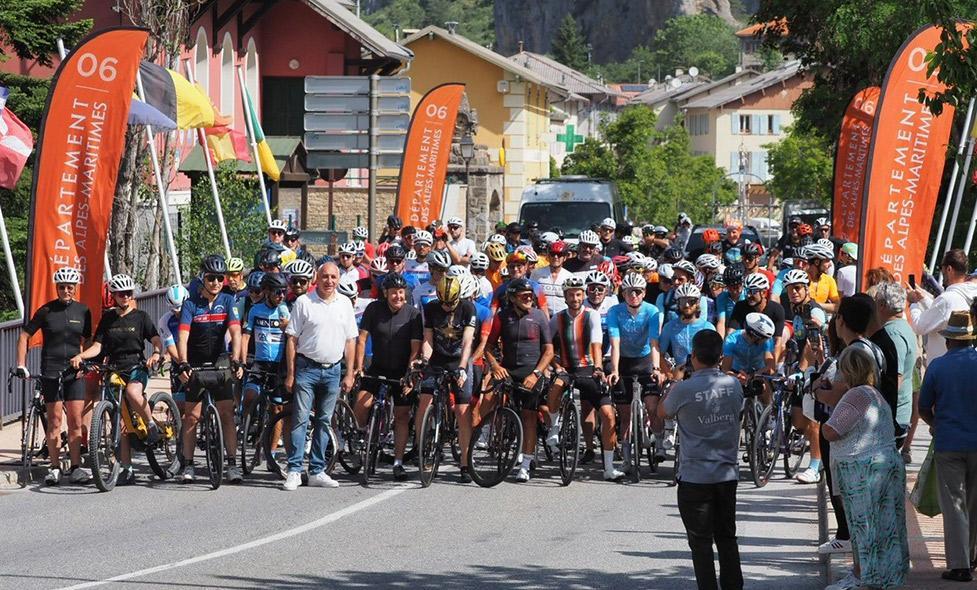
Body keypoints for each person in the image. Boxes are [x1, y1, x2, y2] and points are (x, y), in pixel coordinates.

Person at [819, 346, 909, 590]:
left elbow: (832, 431)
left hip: (863, 470)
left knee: (864, 526)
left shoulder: (857, 395)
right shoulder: (874, 394)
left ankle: (863, 577)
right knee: (887, 526)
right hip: (883, 463)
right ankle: (886, 576)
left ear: (849, 371)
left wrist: (826, 418)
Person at [660, 330, 744, 590]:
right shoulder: (734, 385)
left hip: (695, 477)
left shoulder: (683, 389)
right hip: (727, 476)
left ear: (692, 356)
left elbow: (661, 413)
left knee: (700, 543)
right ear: (721, 357)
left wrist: (677, 380)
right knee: (727, 537)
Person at [71, 274, 164, 486]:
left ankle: (150, 424)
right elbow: (98, 346)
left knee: (132, 393)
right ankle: (127, 468)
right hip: (113, 366)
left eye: (128, 293)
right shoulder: (108, 319)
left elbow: (156, 339)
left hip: (136, 366)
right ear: (113, 296)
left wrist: (156, 353)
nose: (125, 297)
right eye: (121, 294)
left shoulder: (141, 317)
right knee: (119, 421)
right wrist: (82, 356)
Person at [281, 262, 357, 491]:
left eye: (334, 277)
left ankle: (316, 470)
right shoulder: (304, 303)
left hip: (333, 370)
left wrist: (350, 372)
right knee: (301, 419)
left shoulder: (344, 303)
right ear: (317, 277)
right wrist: (291, 374)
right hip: (307, 368)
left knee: (324, 421)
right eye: (325, 276)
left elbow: (350, 340)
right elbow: (292, 340)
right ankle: (294, 470)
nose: (330, 281)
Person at [15, 267, 93, 485]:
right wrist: (21, 364)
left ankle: (76, 467)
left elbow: (88, 340)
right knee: (55, 422)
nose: (66, 290)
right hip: (51, 371)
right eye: (62, 287)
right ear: (56, 288)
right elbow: (24, 336)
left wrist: (84, 358)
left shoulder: (83, 311)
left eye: (70, 287)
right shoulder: (46, 311)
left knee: (76, 421)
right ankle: (55, 467)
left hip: (74, 373)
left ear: (75, 288)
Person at [917, 310, 977, 582]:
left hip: (948, 442)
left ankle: (960, 564)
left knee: (954, 504)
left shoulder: (938, 367)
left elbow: (923, 407)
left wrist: (936, 423)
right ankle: (973, 556)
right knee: (974, 503)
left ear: (950, 340)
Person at [174, 255, 244, 483]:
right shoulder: (191, 304)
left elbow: (236, 332)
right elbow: (182, 337)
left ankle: (232, 464)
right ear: (202, 278)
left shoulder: (228, 300)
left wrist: (237, 360)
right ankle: (189, 464)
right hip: (195, 361)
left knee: (227, 414)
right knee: (191, 417)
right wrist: (183, 362)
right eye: (211, 278)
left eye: (219, 278)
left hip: (220, 361)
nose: (215, 282)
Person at [548, 276, 624, 481]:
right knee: (554, 387)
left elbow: (596, 344)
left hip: (589, 369)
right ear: (564, 297)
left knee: (608, 415)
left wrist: (598, 368)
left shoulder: (591, 316)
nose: (575, 298)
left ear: (583, 296)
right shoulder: (557, 318)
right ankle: (554, 429)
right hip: (566, 369)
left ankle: (608, 468)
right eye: (571, 294)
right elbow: (546, 345)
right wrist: (554, 365)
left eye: (578, 294)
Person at [483, 277, 554, 483]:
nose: (529, 299)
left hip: (532, 372)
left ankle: (525, 464)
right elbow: (488, 348)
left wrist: (537, 374)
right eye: (524, 296)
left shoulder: (540, 317)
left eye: (531, 296)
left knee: (529, 416)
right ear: (513, 298)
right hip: (509, 370)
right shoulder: (503, 317)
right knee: (489, 398)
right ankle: (488, 434)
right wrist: (496, 366)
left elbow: (549, 351)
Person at [354, 272, 423, 481]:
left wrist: (410, 375)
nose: (398, 297)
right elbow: (362, 338)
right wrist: (359, 367)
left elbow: (415, 349)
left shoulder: (413, 314)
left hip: (401, 372)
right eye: (394, 293)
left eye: (401, 293)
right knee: (361, 404)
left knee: (402, 416)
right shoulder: (374, 309)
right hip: (377, 368)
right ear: (386, 293)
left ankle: (398, 462)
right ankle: (361, 437)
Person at [417, 274, 477, 483]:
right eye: (443, 302)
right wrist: (424, 360)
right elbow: (428, 339)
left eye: (450, 303)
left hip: (458, 360)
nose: (446, 307)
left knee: (462, 411)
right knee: (424, 401)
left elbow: (468, 342)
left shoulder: (468, 308)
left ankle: (465, 464)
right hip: (437, 360)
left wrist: (462, 368)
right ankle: (423, 447)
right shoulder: (431, 307)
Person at [605, 274, 663, 472]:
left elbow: (655, 343)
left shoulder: (652, 311)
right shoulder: (615, 311)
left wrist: (656, 368)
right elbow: (615, 343)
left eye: (638, 291)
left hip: (645, 360)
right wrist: (614, 370)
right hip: (624, 362)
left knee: (652, 405)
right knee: (624, 414)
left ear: (644, 293)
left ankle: (660, 442)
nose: (634, 295)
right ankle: (628, 457)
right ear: (624, 293)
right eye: (630, 292)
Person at [874, 282, 918, 461]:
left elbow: (895, 379)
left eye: (876, 302)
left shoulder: (893, 334)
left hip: (892, 419)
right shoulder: (903, 328)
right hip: (895, 416)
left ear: (883, 305)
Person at [909, 249, 977, 365]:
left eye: (942, 269)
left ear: (949, 269)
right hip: (965, 365)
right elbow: (945, 315)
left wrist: (913, 303)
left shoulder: (947, 299)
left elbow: (919, 326)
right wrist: (923, 299)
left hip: (942, 368)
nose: (942, 273)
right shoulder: (971, 295)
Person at [240, 272, 290, 415]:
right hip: (259, 363)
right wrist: (243, 362)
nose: (281, 296)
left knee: (277, 408)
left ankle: (269, 436)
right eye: (278, 292)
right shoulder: (255, 310)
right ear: (267, 291)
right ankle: (245, 428)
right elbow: (245, 337)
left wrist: (288, 326)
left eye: (284, 292)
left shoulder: (285, 311)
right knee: (249, 396)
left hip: (278, 365)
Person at [659, 284, 716, 377]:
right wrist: (669, 376)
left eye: (691, 301)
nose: (686, 305)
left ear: (697, 303)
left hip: (703, 375)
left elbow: (715, 357)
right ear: (677, 303)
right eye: (682, 301)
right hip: (680, 375)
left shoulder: (708, 327)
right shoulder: (669, 327)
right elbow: (660, 354)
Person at [729, 273, 785, 361]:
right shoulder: (740, 306)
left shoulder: (777, 309)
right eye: (747, 291)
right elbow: (731, 332)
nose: (748, 295)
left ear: (763, 293)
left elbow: (777, 341)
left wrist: (773, 365)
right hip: (745, 346)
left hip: (766, 347)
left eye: (753, 292)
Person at [531, 240, 572, 316]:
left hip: (563, 317)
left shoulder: (570, 276)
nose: (556, 257)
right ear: (548, 256)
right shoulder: (536, 273)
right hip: (542, 317)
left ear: (565, 257)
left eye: (559, 254)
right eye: (553, 254)